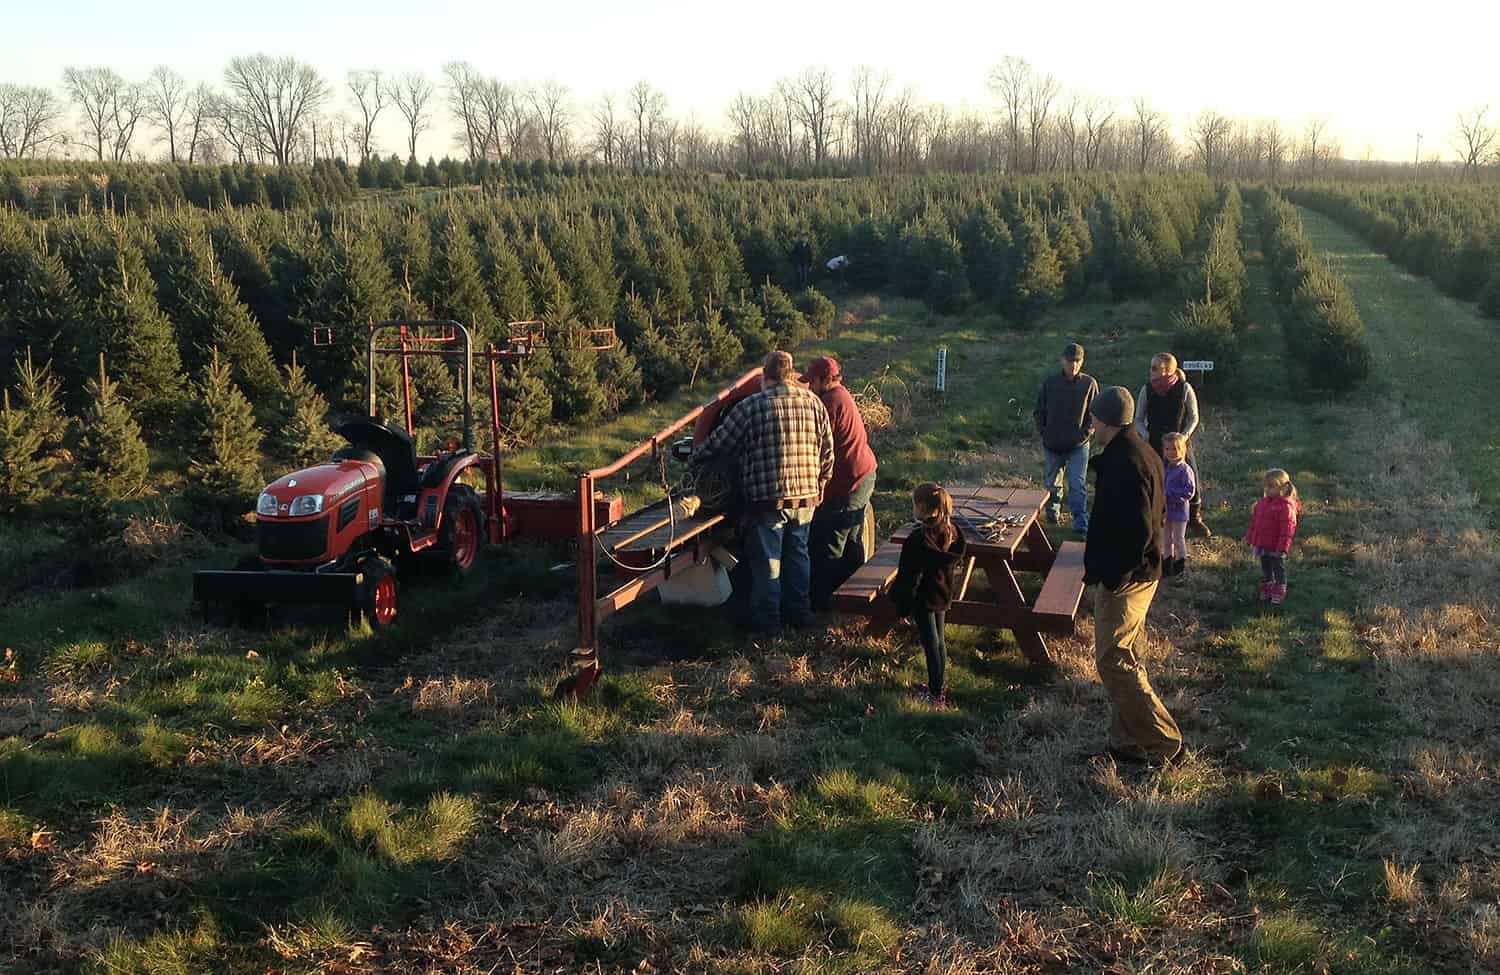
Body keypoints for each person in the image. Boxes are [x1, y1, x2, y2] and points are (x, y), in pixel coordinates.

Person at [692, 350, 834, 632]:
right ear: (792, 375)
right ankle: (800, 616)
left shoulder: (752, 406)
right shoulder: (813, 403)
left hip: (767, 499)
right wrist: (821, 484)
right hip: (806, 497)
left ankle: (769, 625)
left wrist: (696, 456)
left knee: (768, 563)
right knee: (798, 557)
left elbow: (719, 442)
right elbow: (827, 450)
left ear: (765, 377)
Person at [1083, 385, 1183, 767]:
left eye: (1094, 416)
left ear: (1105, 420)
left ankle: (1163, 741)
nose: (1091, 421)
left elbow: (1139, 529)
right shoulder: (1141, 451)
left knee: (1114, 660)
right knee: (1128, 655)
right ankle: (1126, 740)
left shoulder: (1126, 462)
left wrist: (1116, 576)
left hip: (1129, 578)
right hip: (1141, 572)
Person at [804, 356, 878, 611]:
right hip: (864, 473)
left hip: (848, 482)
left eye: (811, 382)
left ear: (823, 380)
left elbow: (812, 444)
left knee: (831, 544)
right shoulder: (842, 394)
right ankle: (856, 597)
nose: (809, 388)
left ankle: (825, 605)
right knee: (853, 538)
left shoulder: (828, 403)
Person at [889, 483, 967, 709]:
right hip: (943, 592)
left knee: (931, 644)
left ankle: (935, 694)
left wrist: (902, 606)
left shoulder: (917, 540)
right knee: (940, 642)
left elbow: (908, 578)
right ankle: (938, 685)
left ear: (922, 506)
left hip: (923, 597)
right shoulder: (952, 531)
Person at [1134, 352, 1212, 537]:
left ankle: (1194, 517)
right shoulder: (1147, 390)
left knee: (1190, 474)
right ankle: (1153, 518)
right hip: (1155, 442)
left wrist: (1184, 437)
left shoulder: (1185, 389)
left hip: (1180, 444)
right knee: (1152, 480)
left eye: (1155, 368)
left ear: (1168, 370)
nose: (1151, 371)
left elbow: (1194, 417)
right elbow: (1138, 418)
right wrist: (1147, 436)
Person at [1033, 342, 1098, 535]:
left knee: (1077, 484)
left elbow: (1094, 414)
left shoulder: (1089, 384)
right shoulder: (1050, 383)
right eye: (1070, 361)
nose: (1074, 365)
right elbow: (1039, 411)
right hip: (1053, 443)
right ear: (1062, 361)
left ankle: (1080, 522)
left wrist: (1086, 434)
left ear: (1082, 362)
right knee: (1052, 483)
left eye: (1078, 361)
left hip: (1079, 444)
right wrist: (1045, 433)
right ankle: (1052, 516)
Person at [1244, 468, 1300, 605]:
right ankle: (1268, 586)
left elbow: (1287, 530)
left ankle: (1279, 590)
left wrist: (1282, 547)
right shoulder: (1262, 504)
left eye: (1271, 486)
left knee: (1278, 568)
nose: (1267, 490)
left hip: (1276, 546)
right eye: (1266, 486)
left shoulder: (1286, 507)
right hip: (1263, 544)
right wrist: (1251, 538)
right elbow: (1255, 523)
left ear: (1283, 487)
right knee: (1266, 567)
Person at [1161, 433, 1196, 578]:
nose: (1170, 453)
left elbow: (1189, 491)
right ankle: (1166, 565)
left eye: (1174, 449)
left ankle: (1180, 565)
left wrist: (1171, 494)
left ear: (1182, 450)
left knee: (1178, 539)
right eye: (1167, 449)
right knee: (1166, 539)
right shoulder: (1166, 467)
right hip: (1166, 510)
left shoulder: (1185, 470)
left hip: (1179, 511)